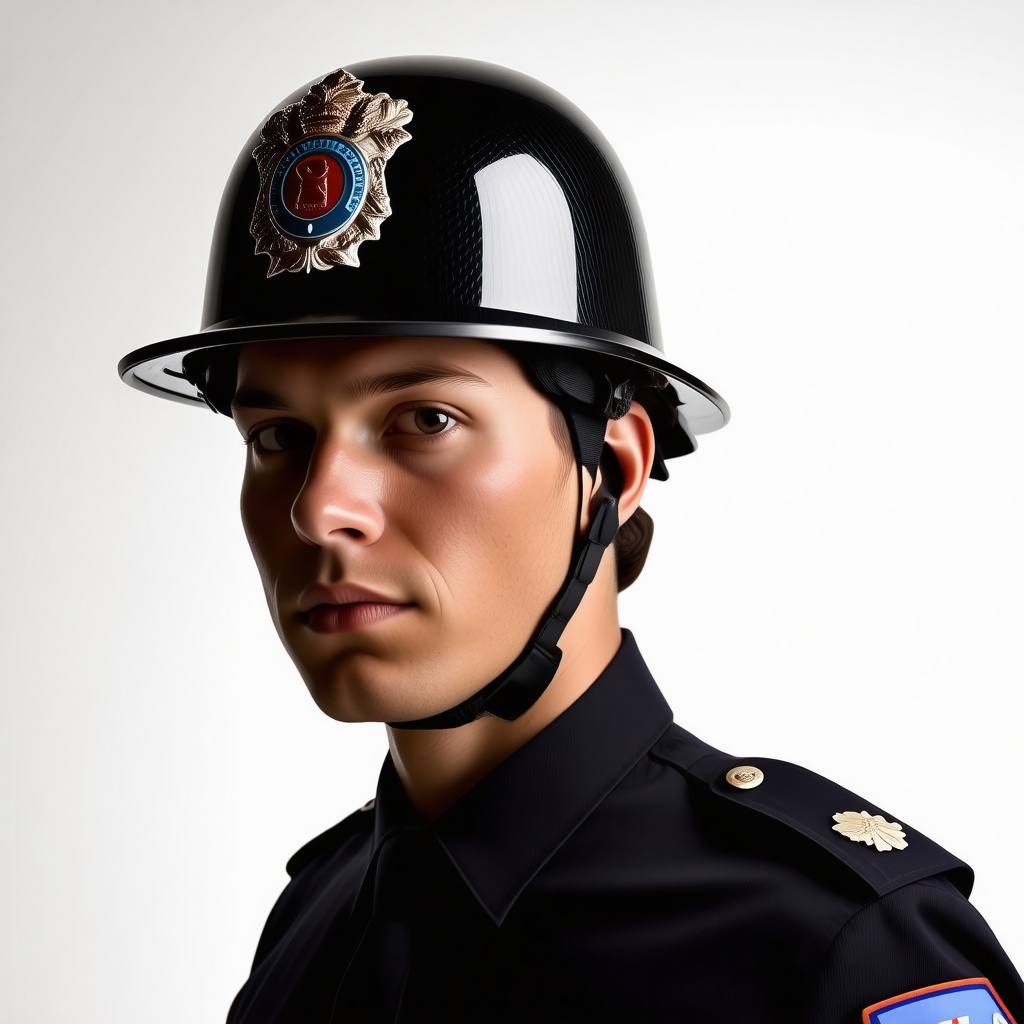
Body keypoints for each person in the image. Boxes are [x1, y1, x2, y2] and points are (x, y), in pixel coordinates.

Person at [118, 57, 1023, 1024]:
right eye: (278, 438)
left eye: (424, 420)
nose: (319, 508)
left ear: (617, 467)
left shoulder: (838, 945)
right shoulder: (314, 915)